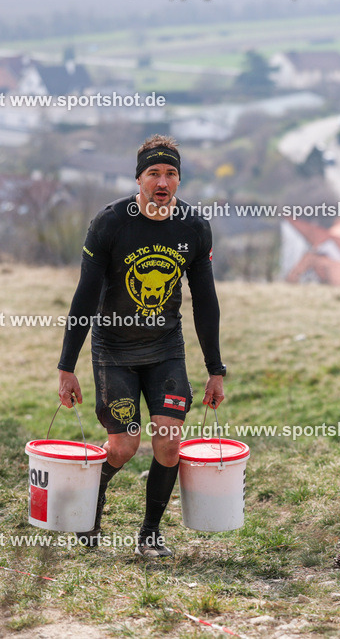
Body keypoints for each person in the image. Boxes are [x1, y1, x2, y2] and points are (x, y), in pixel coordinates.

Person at [56, 134, 226, 557]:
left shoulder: (193, 228)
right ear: (139, 178)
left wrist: (216, 369)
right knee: (125, 445)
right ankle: (91, 502)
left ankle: (150, 533)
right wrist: (66, 365)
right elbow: (84, 297)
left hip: (165, 349)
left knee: (169, 442)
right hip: (113, 350)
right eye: (154, 173)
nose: (163, 181)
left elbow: (206, 301)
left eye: (171, 173)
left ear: (179, 180)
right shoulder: (111, 222)